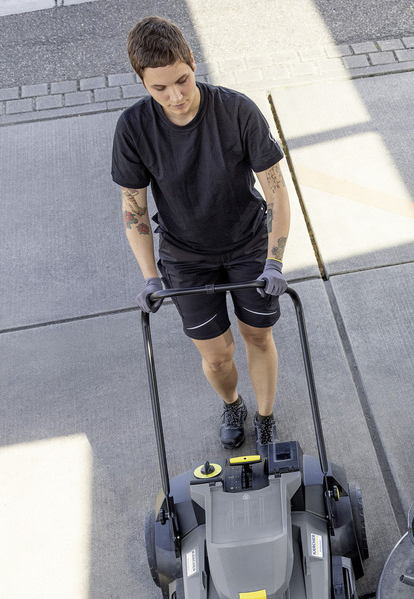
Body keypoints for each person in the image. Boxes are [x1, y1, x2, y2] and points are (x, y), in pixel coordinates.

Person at [113, 15, 292, 454]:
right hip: (186, 255)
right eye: (160, 88)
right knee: (216, 355)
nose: (175, 96)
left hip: (248, 241)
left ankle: (266, 419)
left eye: (182, 80)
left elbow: (276, 193)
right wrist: (150, 277)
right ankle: (233, 405)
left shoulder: (236, 111)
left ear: (193, 61)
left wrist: (274, 260)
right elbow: (133, 208)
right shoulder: (134, 129)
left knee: (256, 336)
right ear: (142, 83)